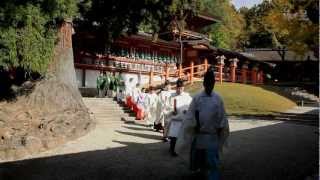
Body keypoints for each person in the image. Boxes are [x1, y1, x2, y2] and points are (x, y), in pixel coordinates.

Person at [175, 67, 229, 180]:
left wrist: (221, 129)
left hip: (213, 135)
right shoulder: (197, 98)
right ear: (204, 83)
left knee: (212, 160)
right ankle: (201, 172)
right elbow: (190, 115)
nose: (209, 85)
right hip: (200, 134)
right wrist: (194, 126)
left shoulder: (218, 99)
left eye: (211, 83)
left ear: (214, 83)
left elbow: (222, 117)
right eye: (207, 83)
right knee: (200, 159)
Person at [166, 79, 192, 156]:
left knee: (181, 135)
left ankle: (179, 148)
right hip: (175, 118)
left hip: (183, 118)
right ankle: (172, 149)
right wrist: (171, 111)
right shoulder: (172, 96)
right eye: (178, 88)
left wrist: (186, 110)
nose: (180, 90)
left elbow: (190, 106)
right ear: (176, 88)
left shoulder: (187, 96)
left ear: (183, 88)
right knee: (174, 134)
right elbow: (168, 106)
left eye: (181, 88)